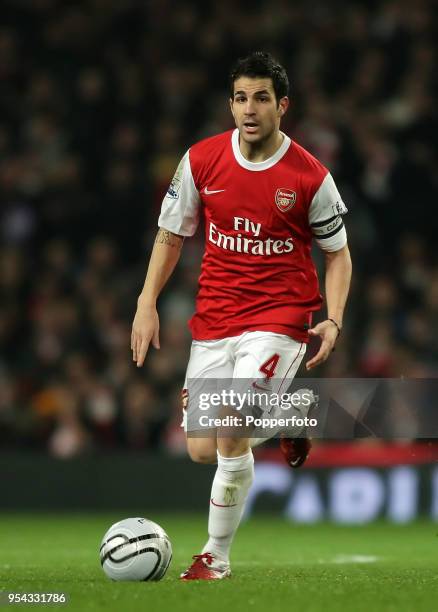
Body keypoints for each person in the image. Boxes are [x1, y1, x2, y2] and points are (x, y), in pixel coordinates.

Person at [131, 51, 352, 580]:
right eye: (239, 97)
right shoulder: (201, 160)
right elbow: (171, 235)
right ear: (230, 105)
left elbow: (338, 253)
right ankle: (289, 416)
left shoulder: (309, 177)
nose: (248, 108)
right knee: (203, 450)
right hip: (215, 320)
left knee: (231, 427)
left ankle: (215, 556)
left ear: (282, 106)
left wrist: (334, 318)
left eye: (260, 98)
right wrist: (146, 301)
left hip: (280, 316)